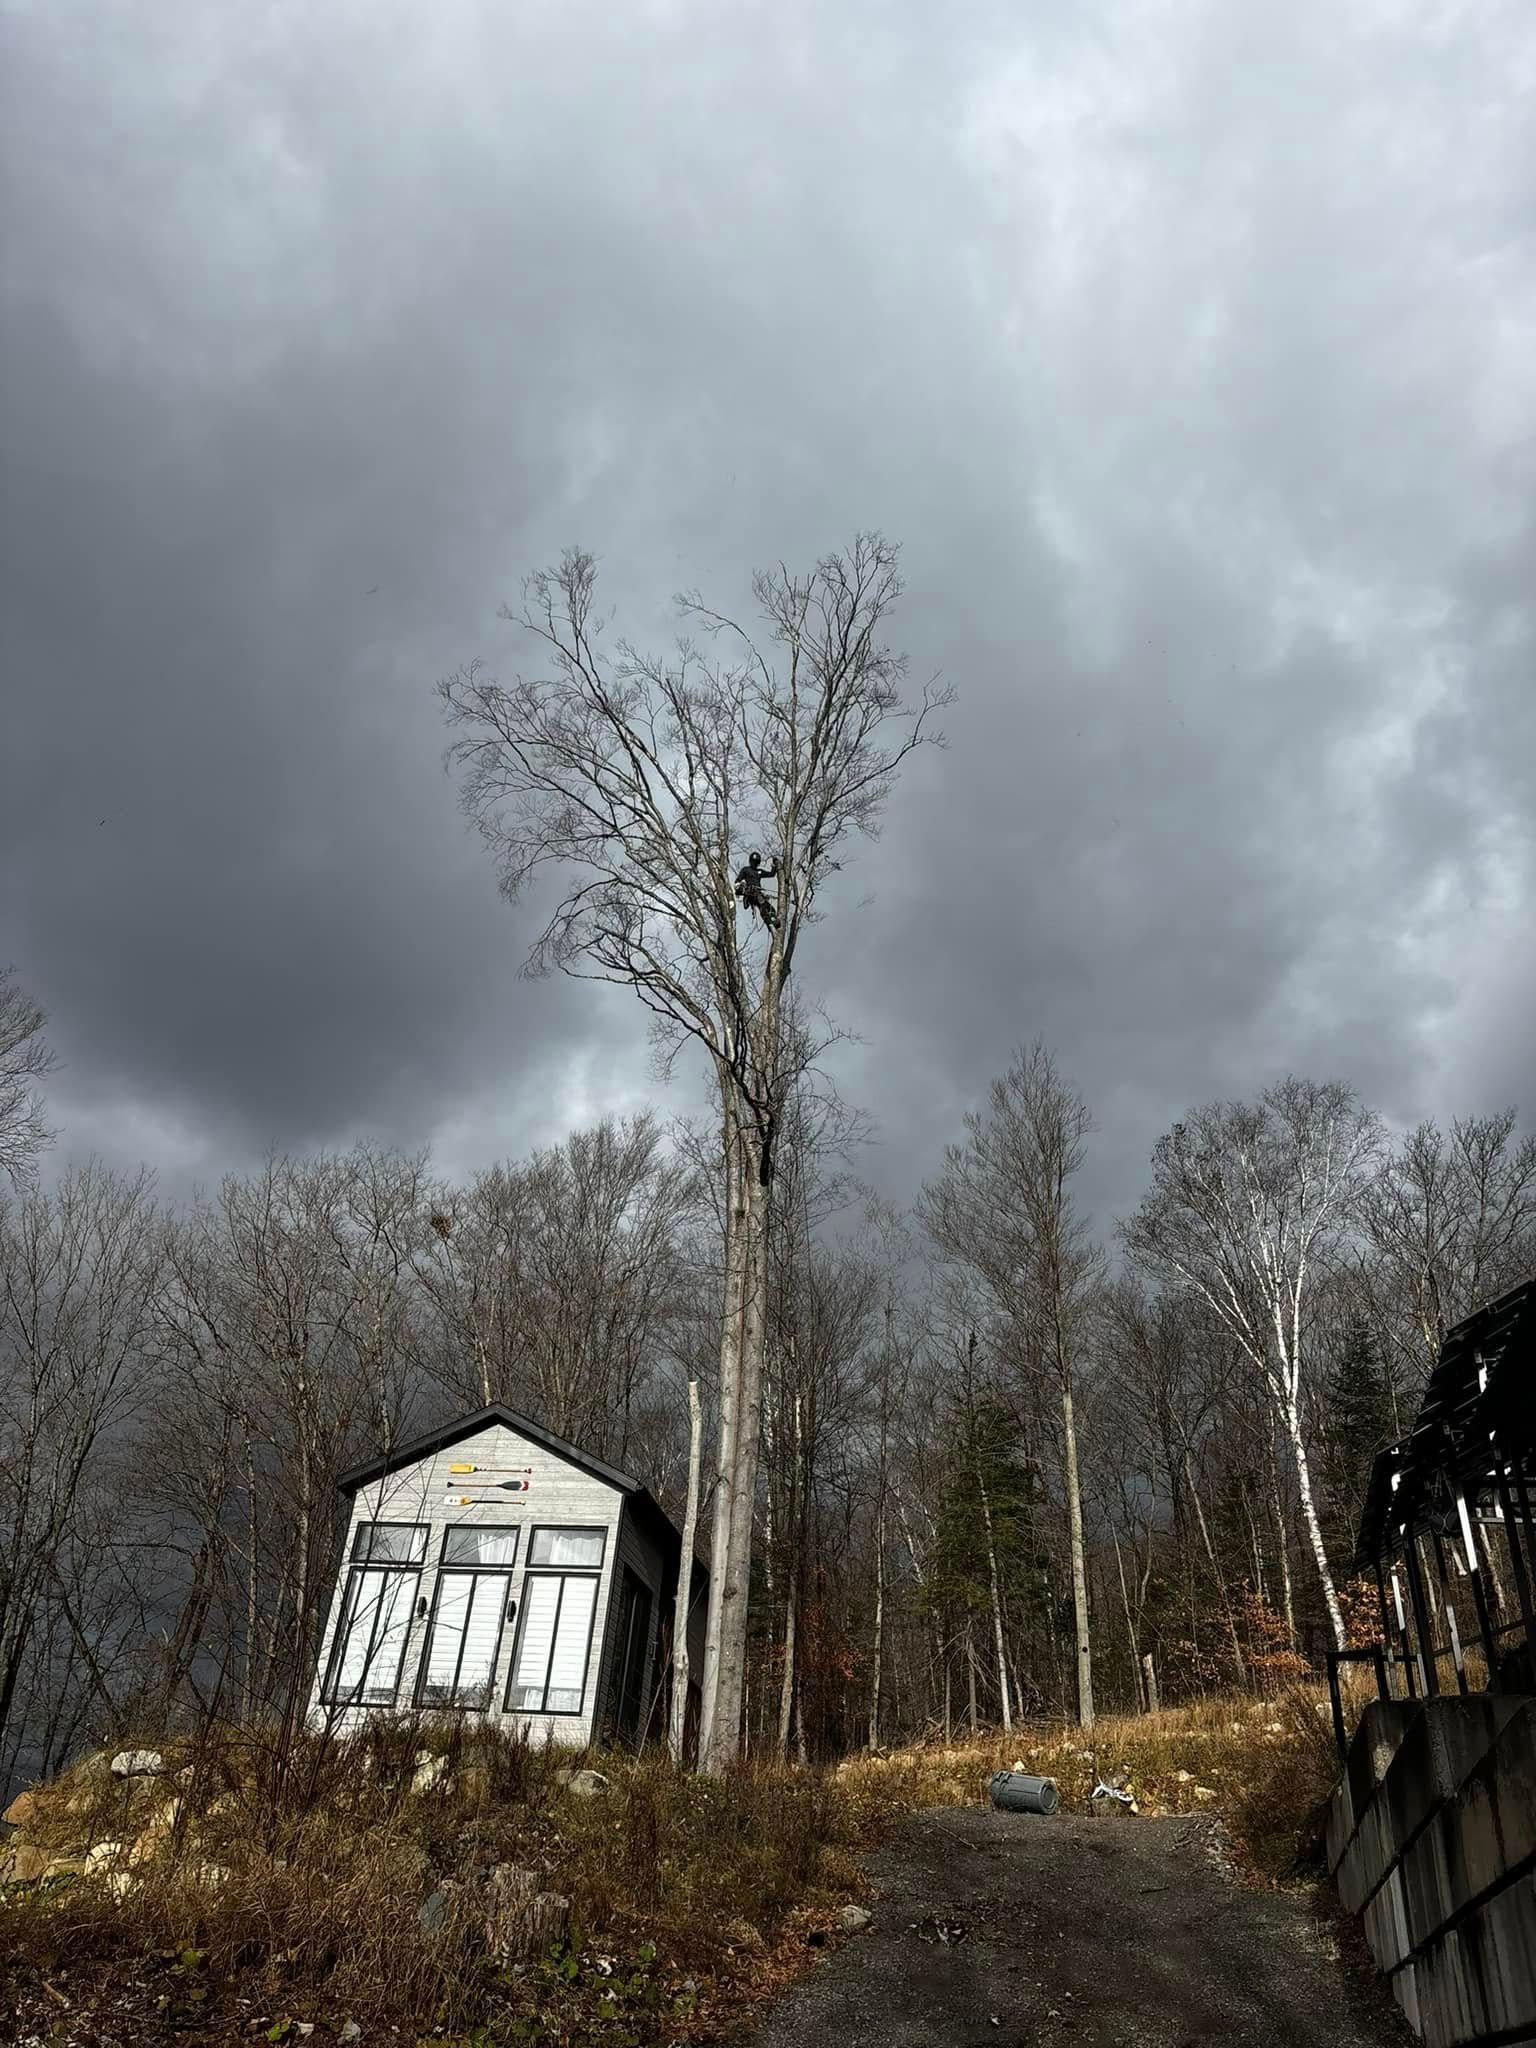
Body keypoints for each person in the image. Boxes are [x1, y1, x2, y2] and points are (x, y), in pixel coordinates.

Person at [733, 850, 779, 930]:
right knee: (762, 905)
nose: (754, 863)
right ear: (751, 861)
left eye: (756, 862)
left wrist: (774, 865)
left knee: (770, 908)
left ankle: (772, 922)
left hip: (758, 893)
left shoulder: (759, 871)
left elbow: (771, 874)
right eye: (753, 862)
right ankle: (769, 922)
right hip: (750, 894)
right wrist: (740, 886)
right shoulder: (746, 870)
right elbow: (738, 880)